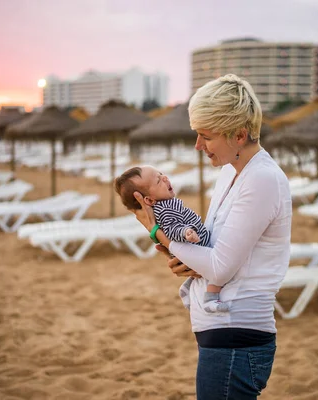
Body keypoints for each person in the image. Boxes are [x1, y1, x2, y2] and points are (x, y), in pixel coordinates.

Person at [130, 73, 292, 399]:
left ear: (239, 135)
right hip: (222, 334)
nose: (198, 145)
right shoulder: (230, 172)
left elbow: (219, 268)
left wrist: (157, 233)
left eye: (205, 136)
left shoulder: (262, 179)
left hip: (237, 337)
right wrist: (185, 260)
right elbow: (214, 247)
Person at [114, 165, 229, 313]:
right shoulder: (163, 210)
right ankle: (210, 299)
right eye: (158, 181)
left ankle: (187, 290)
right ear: (148, 200)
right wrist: (185, 232)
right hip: (194, 245)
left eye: (162, 174)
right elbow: (172, 229)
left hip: (196, 244)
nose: (165, 178)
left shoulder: (166, 204)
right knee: (216, 278)